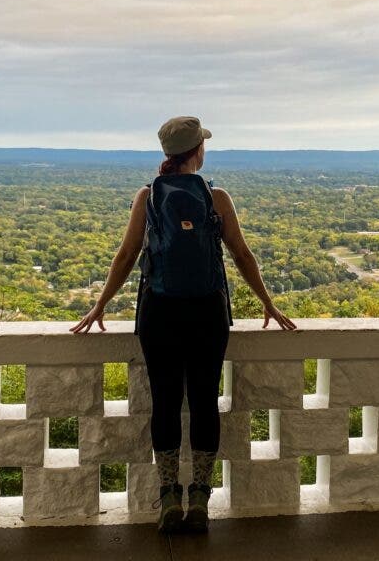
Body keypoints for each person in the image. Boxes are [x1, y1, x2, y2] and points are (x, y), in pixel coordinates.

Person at [70, 116, 296, 533]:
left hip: (160, 313)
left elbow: (126, 256)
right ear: (198, 152)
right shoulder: (217, 197)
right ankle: (200, 500)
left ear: (167, 154)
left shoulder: (147, 196)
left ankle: (169, 495)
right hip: (208, 313)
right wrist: (268, 304)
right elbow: (242, 255)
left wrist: (99, 306)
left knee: (166, 401)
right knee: (205, 401)